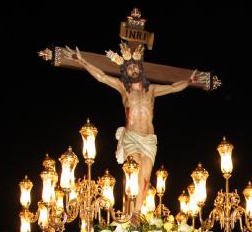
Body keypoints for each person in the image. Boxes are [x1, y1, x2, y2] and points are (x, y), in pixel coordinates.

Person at [73, 46, 196, 215]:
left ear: (140, 69)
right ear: (125, 72)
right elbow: (101, 77)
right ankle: (131, 213)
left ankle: (136, 212)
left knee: (145, 176)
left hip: (149, 139)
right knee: (134, 173)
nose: (133, 69)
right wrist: (82, 61)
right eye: (129, 68)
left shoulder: (151, 90)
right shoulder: (123, 88)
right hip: (131, 137)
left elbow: (174, 87)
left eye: (136, 66)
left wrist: (189, 81)